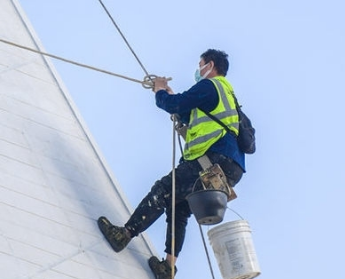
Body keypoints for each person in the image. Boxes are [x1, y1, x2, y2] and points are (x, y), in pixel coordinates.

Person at [98, 49, 246, 279]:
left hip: (211, 160)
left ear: (211, 65)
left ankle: (124, 235)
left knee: (164, 190)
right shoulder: (228, 95)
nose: (198, 69)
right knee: (179, 206)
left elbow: (174, 105)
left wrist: (159, 91)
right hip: (230, 167)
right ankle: (168, 267)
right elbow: (191, 115)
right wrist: (170, 94)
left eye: (201, 64)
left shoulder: (210, 86)